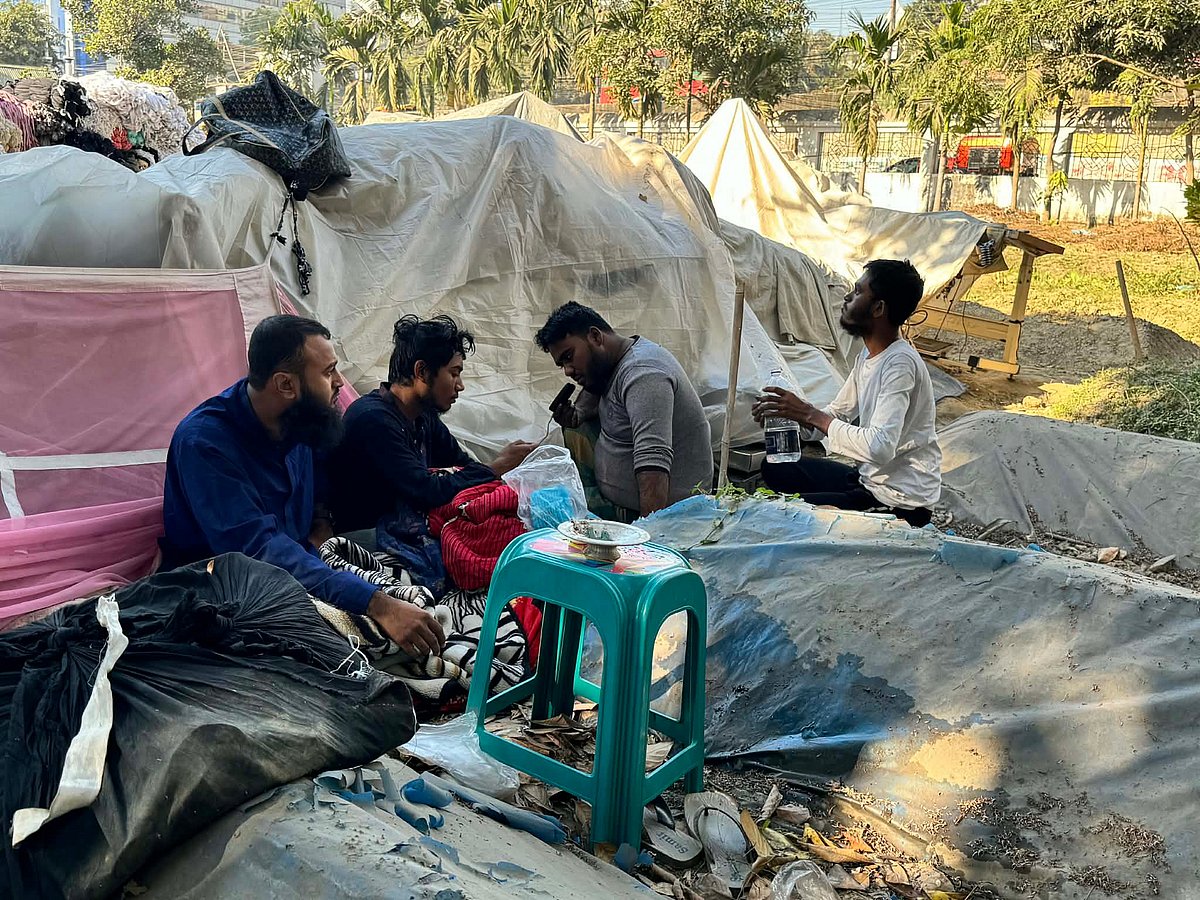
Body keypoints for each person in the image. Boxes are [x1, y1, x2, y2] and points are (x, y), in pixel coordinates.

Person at [160, 314, 446, 658]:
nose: (340, 382)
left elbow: (320, 467)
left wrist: (321, 521)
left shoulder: (302, 419)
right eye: (328, 373)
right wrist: (377, 604)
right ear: (285, 385)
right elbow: (260, 553)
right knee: (360, 648)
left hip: (304, 558)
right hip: (225, 587)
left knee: (426, 565)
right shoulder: (205, 444)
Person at [752, 258, 942, 527]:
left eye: (857, 292)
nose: (847, 297)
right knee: (776, 467)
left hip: (900, 500)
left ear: (878, 308)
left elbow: (880, 447)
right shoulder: (869, 355)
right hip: (868, 480)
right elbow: (837, 413)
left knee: (782, 514)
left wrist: (810, 414)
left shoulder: (900, 365)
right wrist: (792, 415)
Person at [330, 314, 536, 534]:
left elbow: (460, 463)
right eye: (454, 373)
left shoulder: (423, 416)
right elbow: (426, 490)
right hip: (364, 535)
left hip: (403, 524)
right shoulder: (372, 419)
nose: (461, 386)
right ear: (422, 372)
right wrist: (493, 468)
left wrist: (497, 470)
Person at [536, 302, 713, 518]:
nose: (567, 371)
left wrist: (648, 536)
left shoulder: (644, 374)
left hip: (662, 514)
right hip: (616, 497)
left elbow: (653, 461)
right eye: (561, 364)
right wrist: (579, 413)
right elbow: (595, 388)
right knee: (541, 500)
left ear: (595, 336)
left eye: (569, 356)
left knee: (547, 514)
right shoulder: (614, 361)